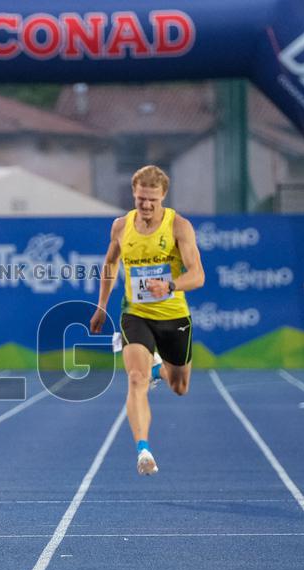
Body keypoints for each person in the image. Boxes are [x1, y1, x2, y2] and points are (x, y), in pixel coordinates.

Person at [90, 165, 205, 476]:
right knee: (136, 379)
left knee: (180, 387)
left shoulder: (179, 226)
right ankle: (144, 451)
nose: (147, 205)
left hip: (173, 315)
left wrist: (170, 286)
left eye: (153, 200)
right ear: (134, 194)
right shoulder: (120, 226)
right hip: (136, 313)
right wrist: (101, 306)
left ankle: (160, 367)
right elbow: (110, 263)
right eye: (141, 199)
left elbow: (198, 275)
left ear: (163, 196)